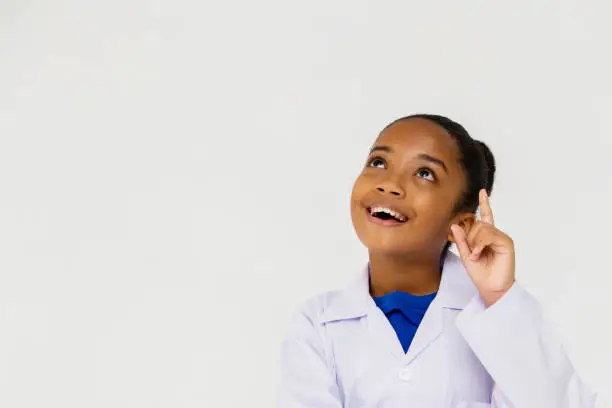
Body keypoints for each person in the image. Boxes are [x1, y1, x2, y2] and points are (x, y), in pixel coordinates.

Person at [275, 114, 596, 408]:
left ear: (463, 222)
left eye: (424, 173)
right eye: (378, 162)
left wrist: (499, 298)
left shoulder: (501, 317)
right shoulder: (318, 325)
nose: (389, 183)